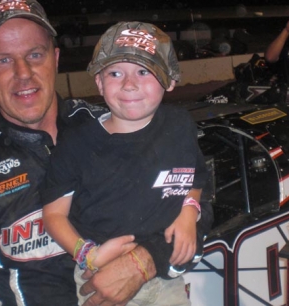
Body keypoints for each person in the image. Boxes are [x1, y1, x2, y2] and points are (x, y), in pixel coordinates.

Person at [0, 1, 213, 305]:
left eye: (35, 55)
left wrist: (145, 262)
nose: (23, 73)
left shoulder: (117, 124)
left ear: (55, 58)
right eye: (3, 60)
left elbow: (197, 200)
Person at [41, 21, 210, 305]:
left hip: (166, 280)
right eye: (115, 73)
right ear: (99, 82)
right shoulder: (76, 143)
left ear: (169, 80)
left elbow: (197, 179)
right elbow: (53, 215)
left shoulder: (180, 126)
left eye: (143, 71)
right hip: (102, 279)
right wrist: (87, 254)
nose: (129, 84)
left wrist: (189, 213)